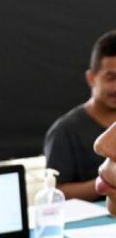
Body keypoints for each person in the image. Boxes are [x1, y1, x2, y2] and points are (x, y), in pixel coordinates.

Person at [44, 30, 116, 201]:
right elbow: (55, 191)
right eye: (111, 78)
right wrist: (107, 180)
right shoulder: (65, 130)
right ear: (91, 78)